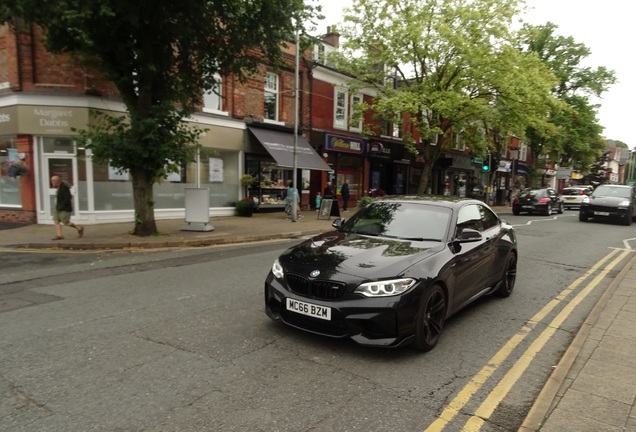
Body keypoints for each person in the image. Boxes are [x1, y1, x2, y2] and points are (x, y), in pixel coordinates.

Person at [51, 175, 84, 240]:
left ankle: (79, 228)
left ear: (57, 181)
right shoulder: (59, 187)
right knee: (56, 221)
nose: (52, 182)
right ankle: (59, 235)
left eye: (53, 181)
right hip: (58, 208)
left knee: (66, 222)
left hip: (65, 208)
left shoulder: (64, 187)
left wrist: (63, 205)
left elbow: (68, 197)